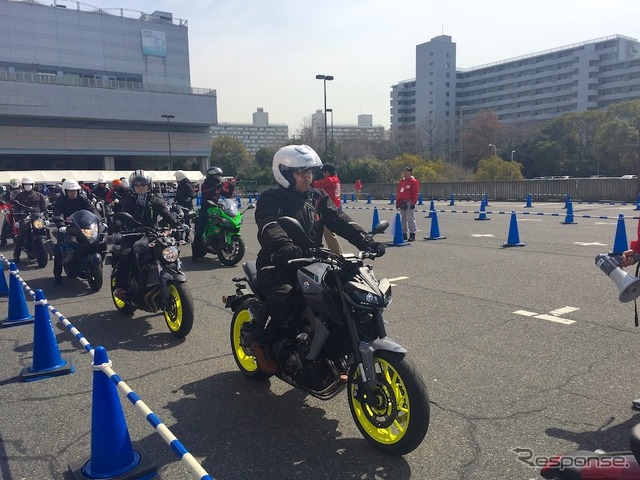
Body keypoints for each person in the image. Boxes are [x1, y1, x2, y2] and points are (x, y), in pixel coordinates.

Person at [252, 144, 385, 373]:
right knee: (284, 295)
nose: (307, 176)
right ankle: (260, 342)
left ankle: (337, 351)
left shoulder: (318, 197)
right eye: (301, 172)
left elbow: (340, 220)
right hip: (278, 262)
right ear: (284, 173)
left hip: (313, 261)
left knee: (343, 292)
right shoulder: (271, 199)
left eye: (309, 171)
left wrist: (366, 241)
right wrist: (285, 246)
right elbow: (269, 226)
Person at [113, 170, 178, 300]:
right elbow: (122, 216)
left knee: (168, 250)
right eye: (137, 185)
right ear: (133, 187)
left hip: (152, 233)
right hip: (132, 234)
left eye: (143, 184)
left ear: (149, 185)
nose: (141, 187)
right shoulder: (128, 201)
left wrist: (177, 222)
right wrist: (121, 222)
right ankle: (121, 287)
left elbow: (166, 213)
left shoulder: (155, 200)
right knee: (126, 254)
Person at [51, 179, 99, 285]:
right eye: (70, 191)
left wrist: (99, 220)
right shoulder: (61, 200)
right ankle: (57, 275)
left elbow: (92, 209)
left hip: (83, 225)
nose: (73, 193)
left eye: (75, 191)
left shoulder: (83, 198)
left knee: (95, 240)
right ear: (65, 191)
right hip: (67, 226)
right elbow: (57, 213)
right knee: (59, 248)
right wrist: (61, 225)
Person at [191, 166, 235, 262]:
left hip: (216, 209)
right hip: (206, 210)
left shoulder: (218, 185)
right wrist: (217, 186)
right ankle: (194, 254)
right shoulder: (205, 185)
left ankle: (219, 242)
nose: (218, 177)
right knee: (199, 230)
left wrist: (231, 187)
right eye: (216, 175)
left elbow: (227, 195)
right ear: (211, 175)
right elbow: (206, 193)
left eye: (219, 175)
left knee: (224, 222)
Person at [12, 176, 47, 264]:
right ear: (23, 185)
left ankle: (50, 251)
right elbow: (16, 209)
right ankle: (16, 256)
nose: (28, 186)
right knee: (20, 235)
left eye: (29, 184)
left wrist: (45, 216)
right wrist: (17, 220)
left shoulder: (39, 195)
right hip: (25, 217)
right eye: (26, 184)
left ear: (33, 185)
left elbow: (44, 207)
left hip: (37, 217)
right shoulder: (19, 196)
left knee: (46, 229)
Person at [312, 163, 344, 255]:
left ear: (327, 172)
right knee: (324, 231)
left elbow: (317, 184)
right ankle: (331, 250)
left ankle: (338, 253)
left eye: (324, 172)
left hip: (330, 209)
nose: (323, 175)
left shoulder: (330, 180)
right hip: (336, 206)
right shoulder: (336, 180)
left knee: (329, 232)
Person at [396, 165, 420, 242]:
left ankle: (412, 234)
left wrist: (413, 203)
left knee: (410, 218)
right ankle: (404, 234)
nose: (404, 173)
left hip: (409, 201)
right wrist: (398, 202)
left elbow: (415, 193)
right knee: (403, 219)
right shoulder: (402, 181)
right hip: (402, 201)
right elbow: (399, 192)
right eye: (404, 171)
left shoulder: (413, 181)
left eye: (406, 171)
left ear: (410, 172)